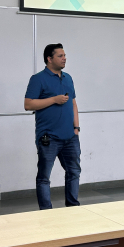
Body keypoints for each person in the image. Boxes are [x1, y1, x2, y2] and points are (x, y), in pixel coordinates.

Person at [24, 43, 81, 209]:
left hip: (70, 137)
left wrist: (76, 128)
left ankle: (73, 207)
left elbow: (73, 103)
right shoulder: (38, 79)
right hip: (48, 137)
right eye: (60, 56)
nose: (64, 58)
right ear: (49, 59)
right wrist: (53, 100)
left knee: (74, 172)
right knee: (44, 177)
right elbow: (28, 104)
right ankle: (46, 212)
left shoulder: (68, 78)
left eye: (64, 55)